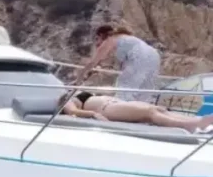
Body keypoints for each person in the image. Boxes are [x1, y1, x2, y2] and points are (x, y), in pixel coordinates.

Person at [75, 24, 161, 103]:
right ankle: (143, 109)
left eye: (97, 39)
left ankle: (122, 108)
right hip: (154, 55)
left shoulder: (110, 39)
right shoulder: (124, 38)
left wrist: (80, 77)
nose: (97, 43)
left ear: (101, 35)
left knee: (124, 86)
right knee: (144, 89)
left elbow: (93, 61)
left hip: (140, 56)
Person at [58, 91, 213, 133]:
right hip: (107, 109)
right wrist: (92, 114)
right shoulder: (66, 99)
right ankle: (192, 125)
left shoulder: (77, 92)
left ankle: (197, 120)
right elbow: (73, 111)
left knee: (159, 109)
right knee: (149, 113)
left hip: (116, 103)